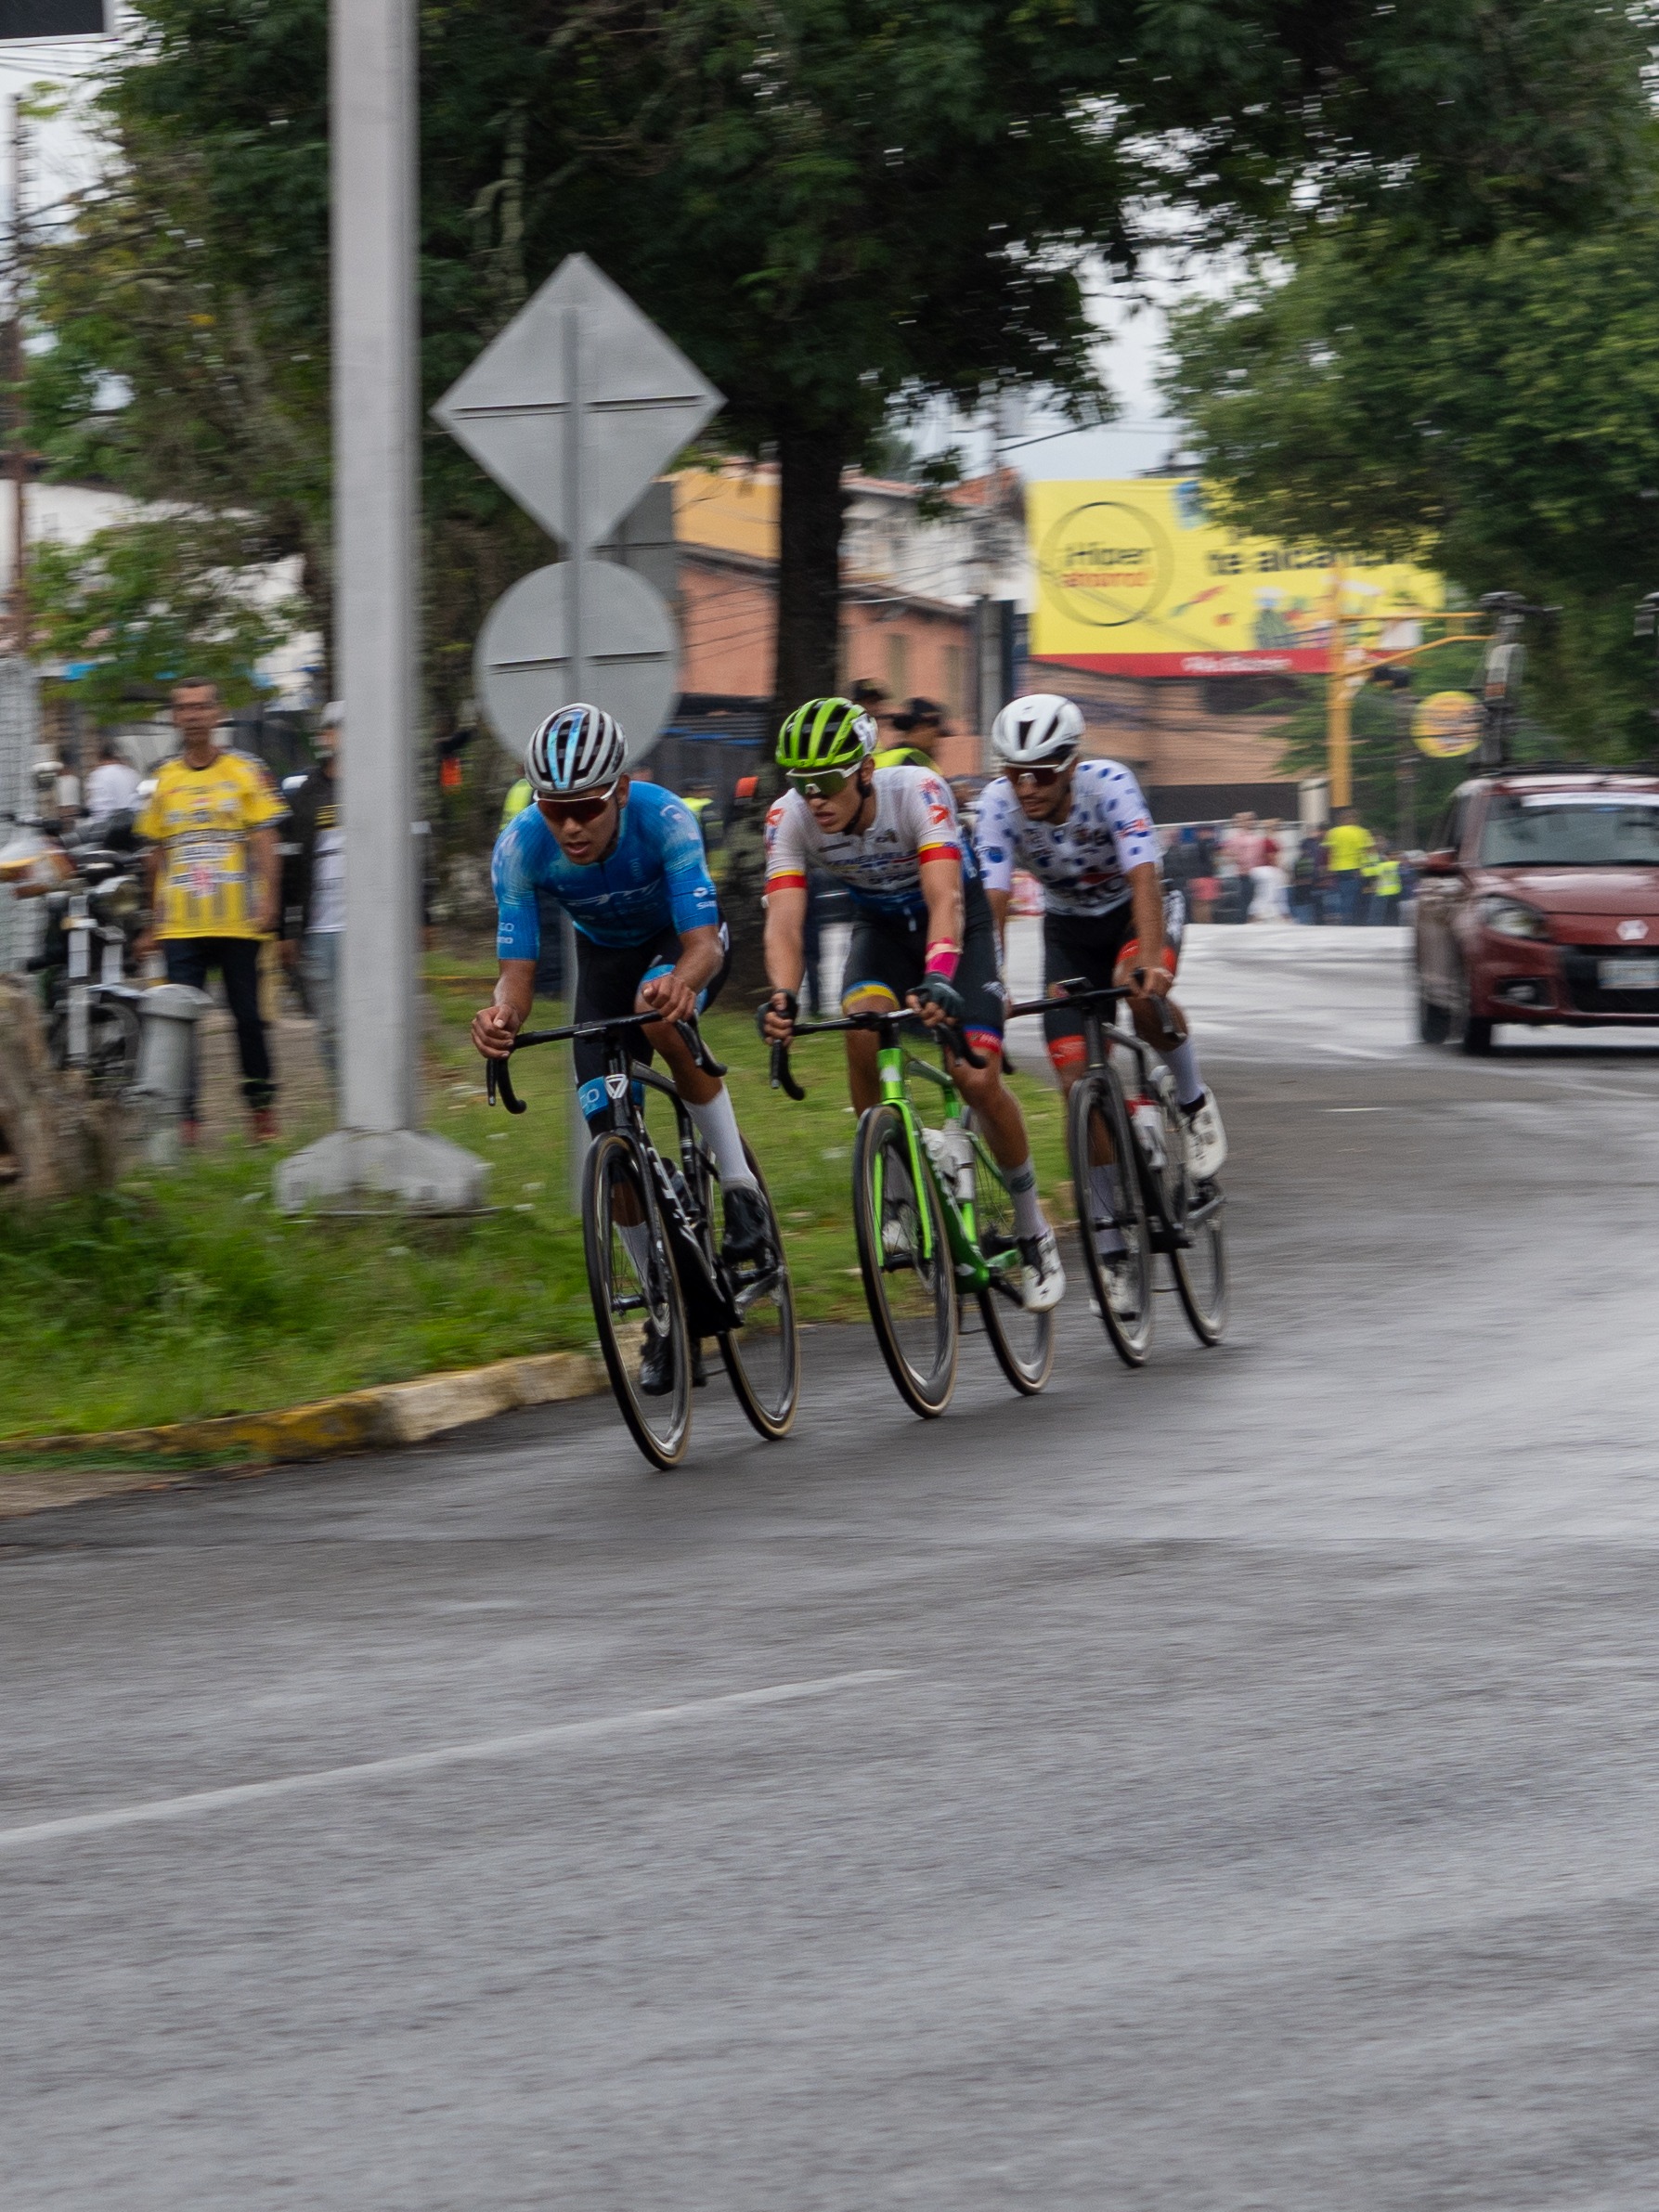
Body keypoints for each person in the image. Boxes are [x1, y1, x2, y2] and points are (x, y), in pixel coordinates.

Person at [472, 704, 770, 1391]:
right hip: (604, 961)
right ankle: (663, 1310)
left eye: (586, 808)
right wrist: (500, 1018)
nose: (571, 827)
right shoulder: (520, 847)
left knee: (655, 1014)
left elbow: (702, 946)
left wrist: (682, 982)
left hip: (680, 943)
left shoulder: (665, 819)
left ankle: (739, 1187)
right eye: (555, 810)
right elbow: (516, 977)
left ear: (622, 791)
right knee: (608, 1132)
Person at [758, 694, 1065, 1313]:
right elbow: (785, 922)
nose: (814, 798)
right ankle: (896, 1192)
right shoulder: (787, 817)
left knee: (975, 1077)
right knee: (861, 1029)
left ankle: (1033, 1228)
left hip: (954, 927)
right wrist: (783, 995)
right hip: (879, 930)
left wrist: (939, 974)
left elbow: (945, 898)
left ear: (865, 772)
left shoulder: (918, 791)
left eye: (827, 781)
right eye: (800, 782)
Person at [974, 693, 1226, 1301]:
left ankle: (1192, 1101)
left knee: (1140, 1000)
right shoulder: (997, 805)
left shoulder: (1109, 784)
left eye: (1040, 773)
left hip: (1134, 913)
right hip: (1069, 931)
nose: (1026, 787)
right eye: (1014, 772)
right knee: (1074, 1086)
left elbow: (1144, 876)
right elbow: (992, 904)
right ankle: (1111, 1243)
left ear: (1070, 764)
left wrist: (1149, 962)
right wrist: (991, 983)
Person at [133, 678, 285, 1143]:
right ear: (174, 718)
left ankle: (260, 1108)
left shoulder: (246, 771)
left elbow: (266, 841)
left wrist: (270, 900)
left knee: (248, 1018)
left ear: (217, 713)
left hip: (238, 922)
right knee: (180, 1022)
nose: (193, 715)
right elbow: (155, 855)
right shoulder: (163, 779)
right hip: (180, 926)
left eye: (201, 706)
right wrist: (150, 921)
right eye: (184, 708)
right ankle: (186, 1118)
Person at [278, 701, 344, 1093]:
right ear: (325, 736)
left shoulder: (381, 786)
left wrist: (420, 915)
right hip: (322, 930)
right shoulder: (305, 794)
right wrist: (285, 930)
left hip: (372, 929)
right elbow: (290, 864)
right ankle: (346, 1104)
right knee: (331, 1026)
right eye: (337, 728)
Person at [1322, 806, 1377, 924]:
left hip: (1337, 869)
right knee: (1353, 896)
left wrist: (1328, 868)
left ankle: (1342, 917)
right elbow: (1370, 852)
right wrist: (1371, 870)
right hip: (1355, 868)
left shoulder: (1333, 832)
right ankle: (1349, 921)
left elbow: (1328, 851)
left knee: (1342, 894)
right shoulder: (1362, 832)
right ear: (1354, 819)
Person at [875, 695, 946, 770]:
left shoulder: (891, 756)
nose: (937, 743)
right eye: (935, 735)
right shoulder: (913, 762)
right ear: (919, 728)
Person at [84, 739, 141, 826]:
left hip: (108, 826)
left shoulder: (97, 775)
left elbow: (97, 808)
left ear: (100, 756)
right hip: (134, 823)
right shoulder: (131, 773)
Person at [1370, 838, 1404, 925]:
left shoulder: (1379, 866)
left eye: (1397, 854)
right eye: (1394, 854)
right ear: (1387, 855)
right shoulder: (1398, 865)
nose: (1396, 856)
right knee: (1393, 915)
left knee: (1385, 915)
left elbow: (1372, 875)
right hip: (1393, 893)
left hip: (1382, 893)